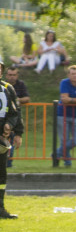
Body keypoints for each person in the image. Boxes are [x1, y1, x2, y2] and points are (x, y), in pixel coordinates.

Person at [0, 56, 24, 218]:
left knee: (2, 174)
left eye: (0, 67)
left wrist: (15, 129)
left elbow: (16, 112)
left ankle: (0, 207)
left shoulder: (7, 88)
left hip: (2, 138)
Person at [54, 65, 76, 167]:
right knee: (64, 139)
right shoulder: (64, 82)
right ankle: (67, 162)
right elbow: (64, 99)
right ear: (68, 75)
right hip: (62, 114)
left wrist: (71, 100)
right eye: (72, 74)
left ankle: (56, 153)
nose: (74, 75)